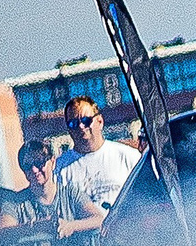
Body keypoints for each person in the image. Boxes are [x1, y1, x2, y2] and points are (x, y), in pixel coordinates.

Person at [52, 97, 139, 236]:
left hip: (126, 237)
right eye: (74, 123)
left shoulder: (128, 157)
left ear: (100, 121)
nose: (81, 127)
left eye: (86, 120)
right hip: (82, 243)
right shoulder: (59, 168)